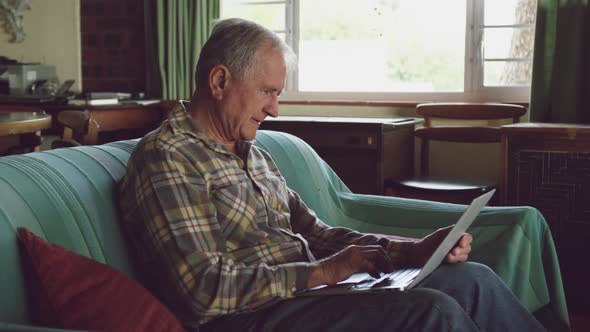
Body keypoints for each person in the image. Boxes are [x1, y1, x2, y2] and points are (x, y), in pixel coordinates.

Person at [118, 18, 543, 331]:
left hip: (305, 297)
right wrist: (323, 273)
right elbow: (202, 292)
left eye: (277, 94)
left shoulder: (254, 154)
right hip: (246, 318)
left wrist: (410, 251)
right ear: (219, 80)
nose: (274, 109)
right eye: (268, 91)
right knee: (433, 312)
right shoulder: (168, 158)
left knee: (472, 279)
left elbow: (319, 235)